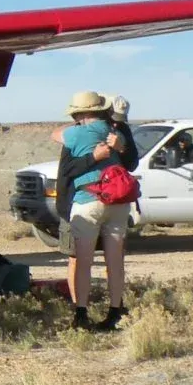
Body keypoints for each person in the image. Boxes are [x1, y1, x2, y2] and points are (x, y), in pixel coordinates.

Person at [53, 90, 130, 331]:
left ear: (79, 113)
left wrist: (77, 125)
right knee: (115, 261)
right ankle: (115, 311)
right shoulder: (115, 133)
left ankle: (81, 313)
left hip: (88, 201)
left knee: (84, 262)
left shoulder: (76, 133)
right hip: (118, 202)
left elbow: (54, 135)